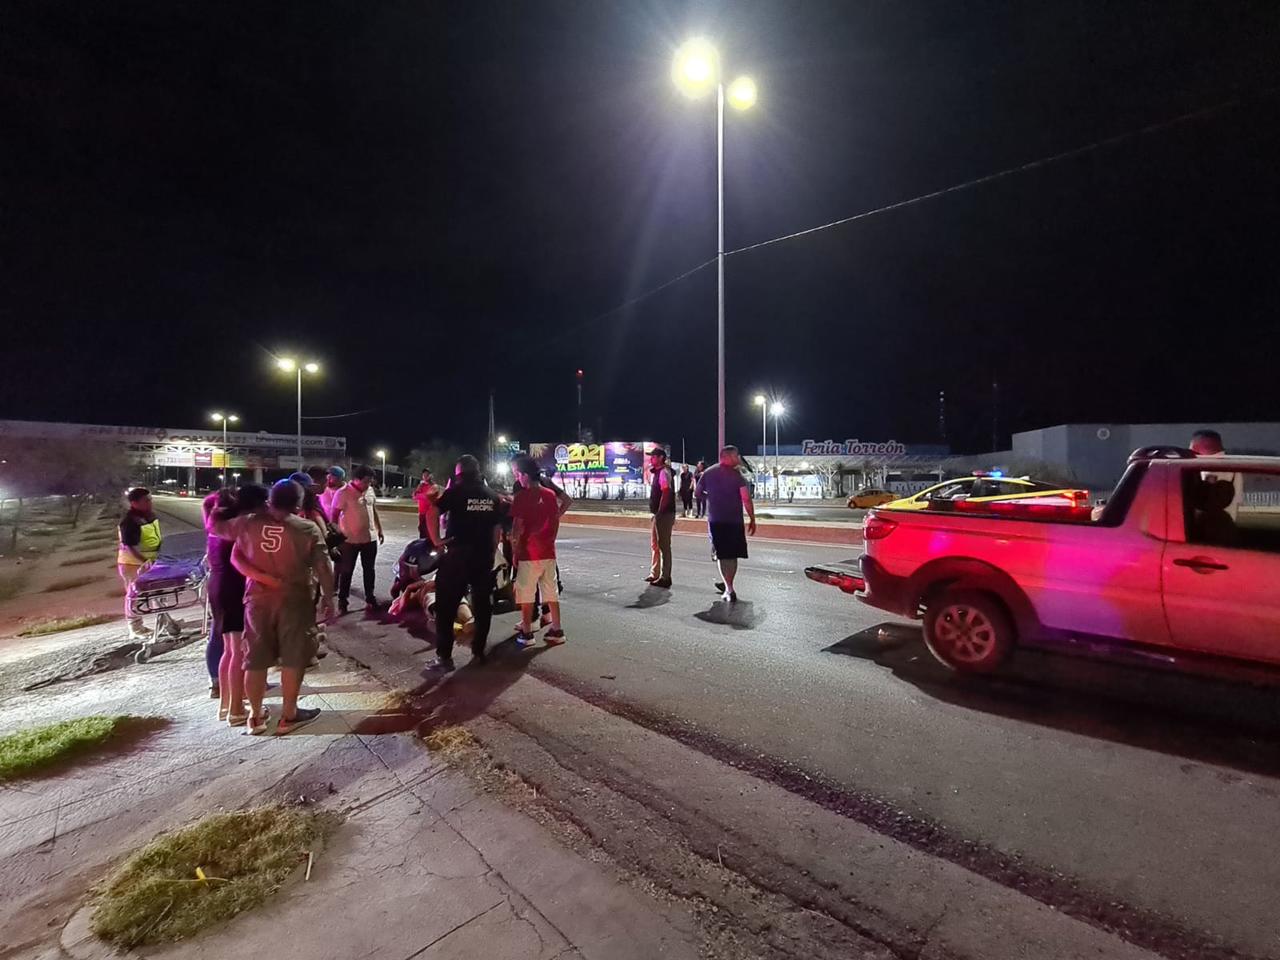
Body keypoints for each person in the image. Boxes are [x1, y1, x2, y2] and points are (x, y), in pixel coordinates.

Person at [212, 479, 335, 735]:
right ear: (298, 504)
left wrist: (220, 503)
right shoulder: (307, 528)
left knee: (255, 658)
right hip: (295, 600)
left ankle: (255, 717)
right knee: (293, 657)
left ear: (271, 500)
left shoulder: (247, 522)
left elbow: (215, 528)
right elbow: (323, 567)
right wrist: (328, 597)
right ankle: (290, 712)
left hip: (257, 601)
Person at [423, 455, 504, 672]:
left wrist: (437, 540)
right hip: (482, 557)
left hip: (457, 557)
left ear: (459, 474)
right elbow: (497, 530)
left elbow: (432, 512)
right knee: (483, 605)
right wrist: (491, 549)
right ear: (478, 472)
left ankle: (444, 657)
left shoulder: (455, 492)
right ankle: (479, 652)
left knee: (446, 606)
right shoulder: (492, 496)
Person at [205, 483, 269, 725]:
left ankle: (226, 705)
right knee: (239, 652)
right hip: (234, 589)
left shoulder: (217, 527)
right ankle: (236, 710)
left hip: (218, 588)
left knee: (229, 650)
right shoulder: (237, 530)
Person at [510, 456, 566, 647]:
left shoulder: (522, 497)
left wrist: (515, 553)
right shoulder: (550, 494)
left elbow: (516, 529)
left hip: (528, 553)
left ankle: (527, 633)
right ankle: (557, 630)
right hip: (548, 552)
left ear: (525, 475)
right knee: (550, 592)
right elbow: (555, 519)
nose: (516, 477)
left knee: (526, 595)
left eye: (517, 473)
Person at [697, 445, 757, 602]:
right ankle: (729, 587)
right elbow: (746, 499)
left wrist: (710, 499)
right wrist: (752, 518)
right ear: (728, 457)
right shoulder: (737, 476)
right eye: (736, 456)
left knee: (722, 555)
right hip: (734, 521)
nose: (738, 459)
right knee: (732, 555)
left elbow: (697, 492)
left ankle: (729, 588)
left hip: (716, 521)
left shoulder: (708, 473)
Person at [329, 465, 384, 613]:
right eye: (366, 481)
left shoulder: (370, 491)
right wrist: (338, 536)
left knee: (369, 570)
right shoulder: (343, 493)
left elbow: (373, 510)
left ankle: (370, 597)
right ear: (356, 479)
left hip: (369, 539)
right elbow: (333, 517)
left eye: (370, 481)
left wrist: (379, 529)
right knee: (346, 571)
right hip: (349, 541)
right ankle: (343, 601)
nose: (368, 484)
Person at [117, 487, 162, 640]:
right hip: (132, 564)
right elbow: (130, 546)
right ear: (134, 503)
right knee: (134, 595)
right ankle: (135, 627)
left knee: (158, 593)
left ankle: (163, 621)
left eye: (150, 499)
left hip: (151, 562)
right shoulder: (129, 521)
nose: (150, 502)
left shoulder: (150, 516)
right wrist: (145, 561)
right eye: (146, 500)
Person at [1190, 428, 1243, 519]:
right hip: (1225, 525)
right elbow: (1238, 500)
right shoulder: (1234, 469)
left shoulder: (1196, 467)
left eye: (1192, 445)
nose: (1190, 448)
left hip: (1197, 527)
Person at [646, 447, 676, 588]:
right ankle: (655, 573)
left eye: (653, 456)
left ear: (660, 458)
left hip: (663, 514)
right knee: (655, 544)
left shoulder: (664, 472)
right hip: (658, 514)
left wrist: (659, 511)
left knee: (664, 545)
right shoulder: (657, 472)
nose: (651, 459)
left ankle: (665, 577)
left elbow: (666, 492)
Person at [413, 468, 439, 540]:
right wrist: (419, 490)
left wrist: (420, 496)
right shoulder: (421, 486)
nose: (425, 476)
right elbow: (415, 497)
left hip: (430, 513)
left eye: (427, 474)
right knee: (422, 532)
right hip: (422, 513)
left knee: (430, 533)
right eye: (424, 475)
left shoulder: (434, 486)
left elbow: (429, 497)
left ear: (431, 476)